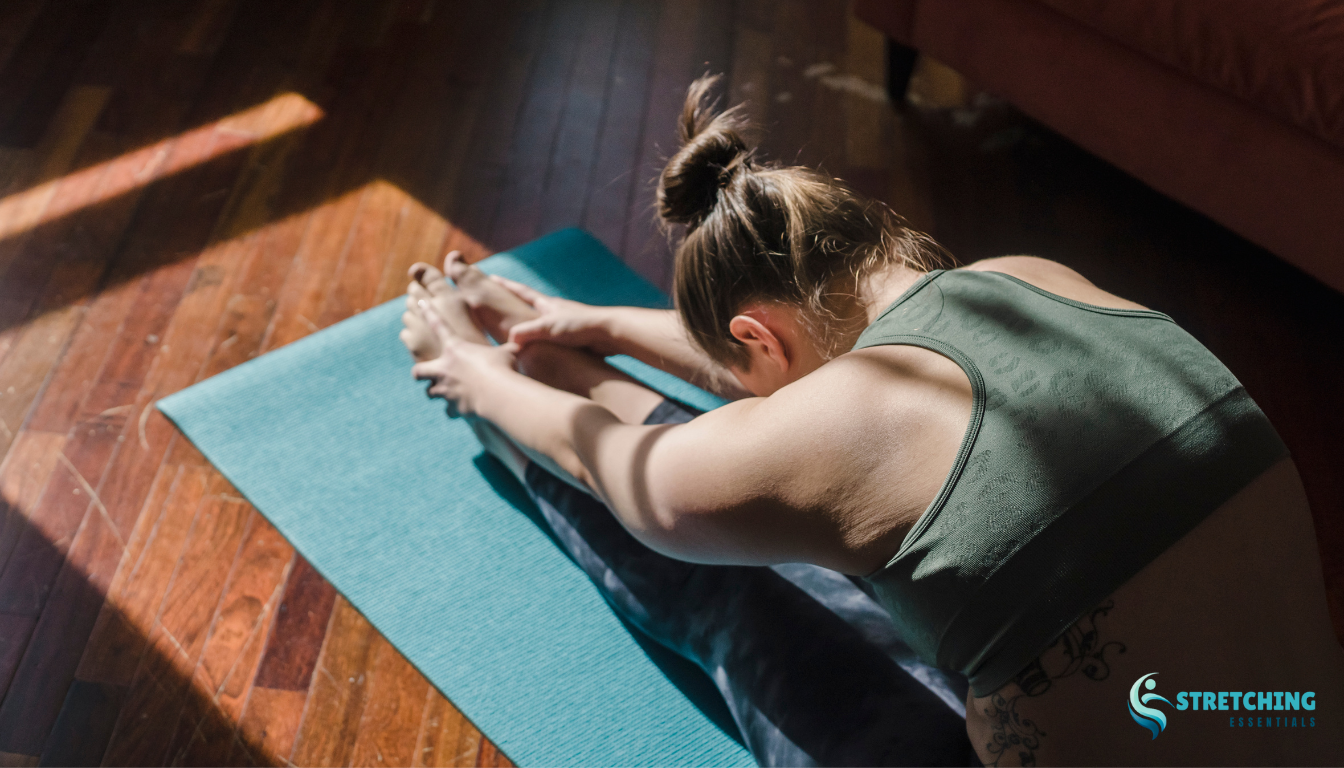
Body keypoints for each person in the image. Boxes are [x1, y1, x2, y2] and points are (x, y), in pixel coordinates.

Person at [400, 76, 1344, 766]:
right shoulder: (1025, 282)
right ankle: (563, 359)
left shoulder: (847, 423)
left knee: (746, 594)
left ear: (754, 338)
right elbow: (812, 379)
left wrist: (472, 373)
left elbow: (629, 474)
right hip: (1293, 726)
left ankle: (535, 389)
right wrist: (604, 326)